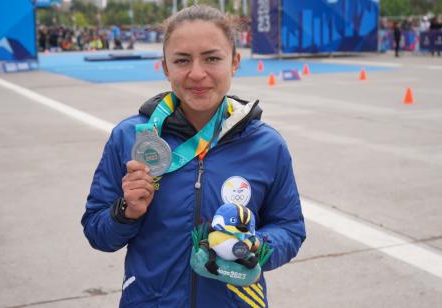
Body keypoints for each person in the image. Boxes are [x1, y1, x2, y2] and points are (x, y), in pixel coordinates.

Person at [81, 5, 306, 308]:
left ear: (235, 62)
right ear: (165, 67)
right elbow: (97, 231)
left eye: (212, 58)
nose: (197, 73)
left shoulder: (267, 145)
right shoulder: (130, 138)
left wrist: (256, 248)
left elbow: (289, 228)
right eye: (182, 60)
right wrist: (125, 212)